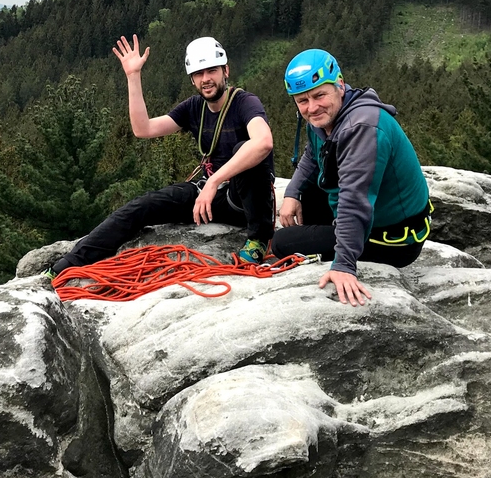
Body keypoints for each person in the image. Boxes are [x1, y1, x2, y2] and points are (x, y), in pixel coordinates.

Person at [47, 35, 276, 278]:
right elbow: (143, 129)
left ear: (225, 71)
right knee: (141, 207)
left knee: (245, 148)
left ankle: (259, 239)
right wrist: (133, 77)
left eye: (212, 71)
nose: (206, 79)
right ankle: (65, 266)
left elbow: (263, 142)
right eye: (199, 73)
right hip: (210, 198)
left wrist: (214, 181)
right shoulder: (193, 108)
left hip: (245, 199)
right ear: (192, 79)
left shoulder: (244, 102)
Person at [273, 49, 431, 307]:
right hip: (378, 216)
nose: (312, 108)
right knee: (310, 189)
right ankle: (328, 241)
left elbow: (355, 200)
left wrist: (344, 265)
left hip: (395, 239)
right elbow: (313, 155)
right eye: (302, 100)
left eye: (319, 95)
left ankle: (331, 250)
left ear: (340, 86)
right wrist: (292, 192)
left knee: (282, 243)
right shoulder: (328, 117)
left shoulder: (361, 127)